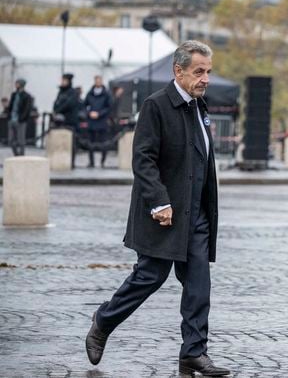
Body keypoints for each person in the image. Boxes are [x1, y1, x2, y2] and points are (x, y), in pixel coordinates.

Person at [85, 40, 229, 376]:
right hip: (164, 214)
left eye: (208, 71)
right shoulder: (156, 105)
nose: (205, 78)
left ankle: (193, 352)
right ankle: (103, 321)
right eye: (199, 71)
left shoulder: (200, 106)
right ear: (178, 71)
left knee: (198, 285)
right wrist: (160, 202)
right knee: (150, 277)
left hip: (197, 217)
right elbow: (143, 159)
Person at [53, 73, 80, 168]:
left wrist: (58, 110)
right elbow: (56, 102)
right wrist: (55, 110)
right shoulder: (60, 92)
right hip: (60, 121)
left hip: (70, 120)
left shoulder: (73, 92)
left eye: (64, 80)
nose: (62, 82)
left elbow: (69, 104)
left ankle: (71, 162)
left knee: (72, 143)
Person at [84, 76, 111, 168]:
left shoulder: (106, 94)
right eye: (97, 80)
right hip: (91, 122)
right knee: (90, 142)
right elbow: (84, 106)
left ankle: (103, 161)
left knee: (104, 142)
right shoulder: (90, 93)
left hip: (102, 122)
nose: (98, 82)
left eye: (100, 80)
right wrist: (89, 113)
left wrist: (99, 114)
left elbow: (109, 107)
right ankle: (91, 162)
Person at [6, 79, 33, 156]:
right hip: (12, 119)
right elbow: (11, 106)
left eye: (17, 83)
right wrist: (8, 114)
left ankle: (21, 156)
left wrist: (22, 118)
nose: (16, 85)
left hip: (20, 121)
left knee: (21, 140)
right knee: (11, 140)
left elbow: (27, 109)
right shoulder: (14, 94)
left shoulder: (27, 96)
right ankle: (16, 155)